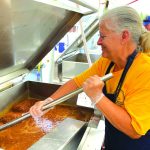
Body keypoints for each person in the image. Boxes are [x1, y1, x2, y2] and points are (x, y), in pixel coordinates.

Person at [29, 6, 150, 150]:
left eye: (102, 36)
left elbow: (134, 130)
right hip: (113, 141)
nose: (98, 42)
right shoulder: (107, 62)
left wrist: (98, 97)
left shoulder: (145, 71)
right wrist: (49, 102)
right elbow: (76, 82)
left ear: (124, 36)